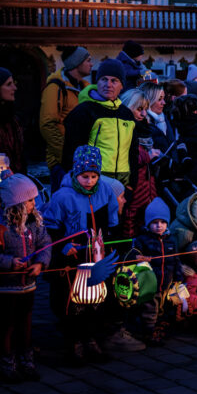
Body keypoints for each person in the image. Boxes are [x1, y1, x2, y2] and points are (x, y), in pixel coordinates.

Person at [43, 145, 144, 361]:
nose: (89, 181)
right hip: (73, 256)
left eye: (93, 176)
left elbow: (113, 224)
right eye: (84, 176)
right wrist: (63, 245)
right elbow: (51, 228)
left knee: (96, 301)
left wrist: (113, 247)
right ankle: (74, 341)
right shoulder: (62, 196)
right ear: (75, 173)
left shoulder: (105, 192)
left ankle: (91, 339)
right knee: (74, 301)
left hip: (98, 254)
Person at [0, 174, 50, 381]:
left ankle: (27, 359)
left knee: (25, 323)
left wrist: (40, 263)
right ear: (16, 202)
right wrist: (9, 262)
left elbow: (45, 244)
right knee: (6, 325)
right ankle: (7, 363)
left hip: (28, 286)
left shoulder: (35, 223)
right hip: (5, 287)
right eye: (30, 200)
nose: (34, 203)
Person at [61, 59, 137, 186]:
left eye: (114, 80)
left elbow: (133, 152)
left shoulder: (127, 114)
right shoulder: (84, 111)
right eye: (104, 79)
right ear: (97, 82)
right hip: (94, 180)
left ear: (122, 85)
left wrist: (131, 184)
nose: (108, 84)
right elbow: (71, 151)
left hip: (123, 180)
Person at [130, 197, 182, 345]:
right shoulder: (142, 240)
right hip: (150, 283)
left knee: (163, 308)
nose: (159, 226)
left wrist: (179, 277)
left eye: (163, 222)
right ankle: (148, 332)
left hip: (166, 283)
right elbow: (133, 255)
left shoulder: (171, 241)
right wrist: (138, 258)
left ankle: (158, 329)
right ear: (148, 224)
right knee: (150, 308)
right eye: (155, 222)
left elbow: (176, 260)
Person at [40, 46, 93, 185]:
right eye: (88, 60)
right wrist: (66, 154)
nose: (91, 64)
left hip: (84, 160)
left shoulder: (86, 88)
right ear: (77, 63)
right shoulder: (55, 88)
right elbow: (48, 124)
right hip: (63, 163)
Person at [118, 89, 158, 238]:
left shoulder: (146, 129)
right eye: (139, 109)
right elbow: (127, 157)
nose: (143, 114)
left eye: (145, 109)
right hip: (131, 190)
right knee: (129, 228)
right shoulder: (123, 128)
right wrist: (148, 156)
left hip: (147, 190)